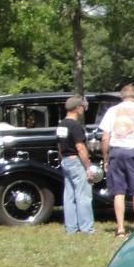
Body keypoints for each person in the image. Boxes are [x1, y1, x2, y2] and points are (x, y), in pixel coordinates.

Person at [99, 83, 134, 239]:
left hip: (116, 152)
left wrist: (105, 157)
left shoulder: (112, 111)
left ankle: (120, 229)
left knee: (118, 192)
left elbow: (105, 137)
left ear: (121, 97)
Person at [56, 95, 95, 235]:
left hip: (65, 160)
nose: (83, 110)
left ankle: (71, 228)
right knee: (83, 195)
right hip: (76, 161)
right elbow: (81, 148)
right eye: (82, 107)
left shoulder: (61, 125)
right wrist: (88, 167)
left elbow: (59, 146)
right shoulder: (75, 126)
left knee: (69, 196)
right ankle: (86, 228)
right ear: (77, 108)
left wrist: (62, 160)